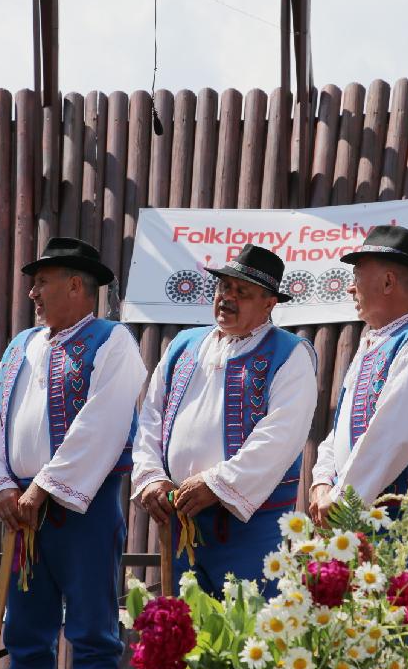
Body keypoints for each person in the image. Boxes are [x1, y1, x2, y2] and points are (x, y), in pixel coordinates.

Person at [0, 237, 147, 669]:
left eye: (42, 283)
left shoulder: (113, 341)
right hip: (21, 506)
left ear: (76, 285)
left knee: (92, 627)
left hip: (83, 507)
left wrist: (45, 488)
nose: (32, 293)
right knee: (25, 629)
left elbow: (103, 423)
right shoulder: (21, 345)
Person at [132, 244, 318, 596]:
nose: (227, 298)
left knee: (248, 637)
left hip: (250, 529)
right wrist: (152, 477)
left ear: (269, 303)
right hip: (180, 520)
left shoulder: (290, 354)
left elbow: (281, 435)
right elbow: (151, 415)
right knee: (183, 634)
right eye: (223, 288)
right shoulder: (184, 344)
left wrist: (217, 484)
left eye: (242, 292)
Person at [309, 225, 408, 577]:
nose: (350, 286)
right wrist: (322, 480)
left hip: (407, 529)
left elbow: (393, 436)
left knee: (402, 623)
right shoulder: (376, 343)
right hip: (359, 515)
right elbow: (340, 429)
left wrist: (339, 503)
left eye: (356, 275)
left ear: (387, 282)